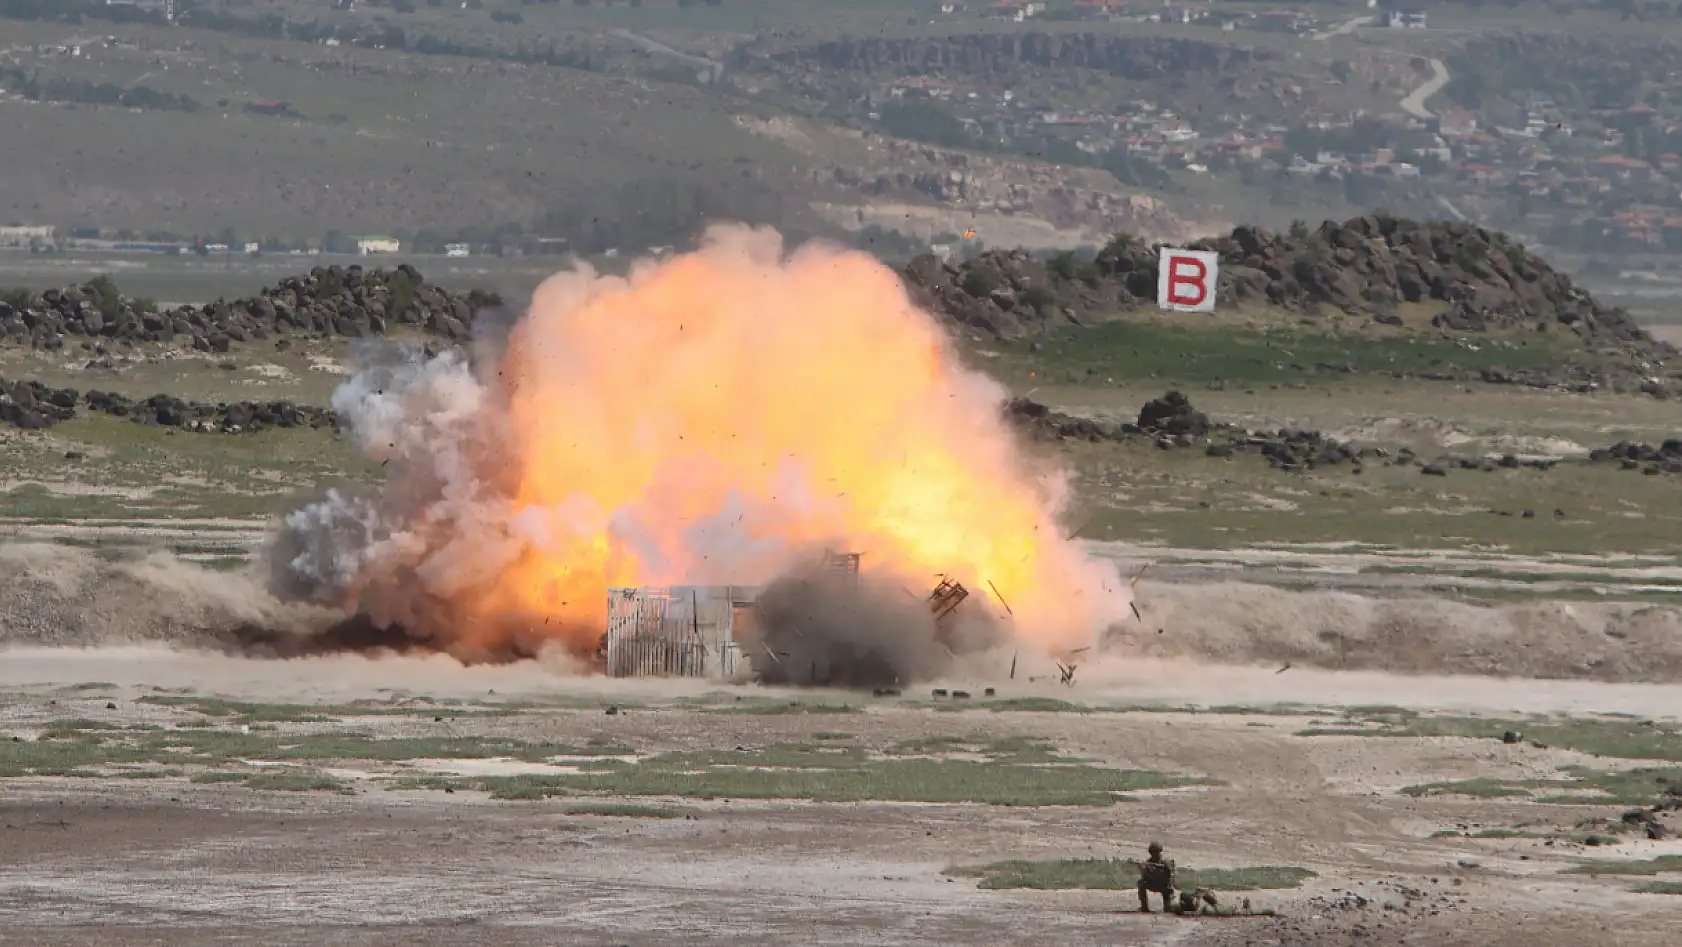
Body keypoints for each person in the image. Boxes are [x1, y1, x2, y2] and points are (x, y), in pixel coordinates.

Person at [1136, 841, 1175, 913]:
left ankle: (1168, 906)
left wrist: (1161, 871)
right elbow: (1146, 877)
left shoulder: (1165, 862)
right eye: (1152, 852)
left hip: (1165, 886)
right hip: (1154, 884)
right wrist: (1143, 870)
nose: (1154, 854)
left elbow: (1171, 876)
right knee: (1141, 883)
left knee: (1168, 910)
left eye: (1156, 852)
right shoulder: (1149, 862)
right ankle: (1144, 907)